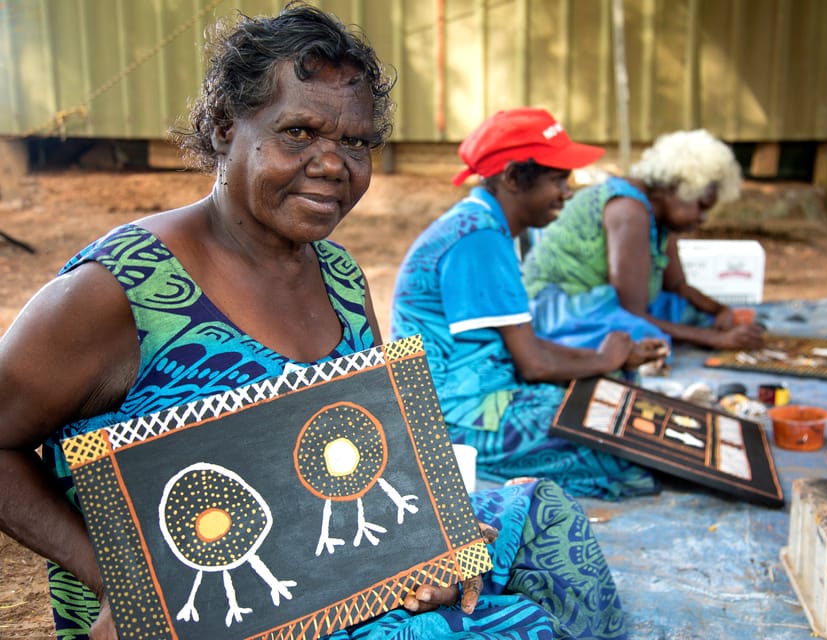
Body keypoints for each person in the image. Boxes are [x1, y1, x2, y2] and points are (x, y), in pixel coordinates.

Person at [0, 6, 628, 640]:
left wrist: (432, 538)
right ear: (224, 128)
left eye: (355, 142)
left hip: (339, 555)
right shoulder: (121, 291)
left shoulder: (339, 276)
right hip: (213, 606)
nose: (333, 165)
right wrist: (126, 581)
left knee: (541, 513)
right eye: (298, 132)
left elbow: (383, 442)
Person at [391, 107, 669, 500]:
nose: (568, 193)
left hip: (479, 398)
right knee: (630, 456)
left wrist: (613, 360)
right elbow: (534, 364)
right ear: (513, 179)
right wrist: (604, 359)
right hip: (454, 420)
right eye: (558, 180)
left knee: (617, 398)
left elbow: (524, 346)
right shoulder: (479, 238)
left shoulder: (485, 226)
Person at [522, 128, 766, 352]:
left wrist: (720, 310)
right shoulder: (629, 211)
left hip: (608, 302)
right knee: (643, 339)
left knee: (689, 313)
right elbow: (631, 312)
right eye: (700, 206)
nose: (703, 218)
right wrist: (714, 339)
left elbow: (678, 286)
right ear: (672, 189)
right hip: (560, 308)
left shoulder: (657, 213)